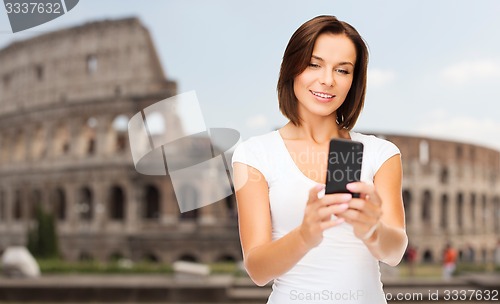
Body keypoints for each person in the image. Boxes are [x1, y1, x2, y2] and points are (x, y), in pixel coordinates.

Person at [232, 15, 408, 304]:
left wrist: (373, 230)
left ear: (354, 81)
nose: (327, 80)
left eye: (343, 70)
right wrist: (305, 235)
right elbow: (257, 269)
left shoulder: (380, 153)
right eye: (314, 64)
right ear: (292, 67)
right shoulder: (254, 155)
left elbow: (395, 252)